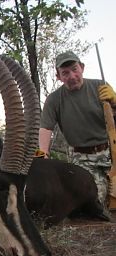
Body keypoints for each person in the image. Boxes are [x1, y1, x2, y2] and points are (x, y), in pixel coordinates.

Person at [39, 50, 116, 218]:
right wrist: (42, 154)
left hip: (111, 151)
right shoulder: (54, 99)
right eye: (65, 73)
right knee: (92, 201)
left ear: (82, 67)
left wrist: (115, 101)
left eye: (75, 69)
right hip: (82, 159)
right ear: (58, 76)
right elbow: (45, 129)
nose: (72, 76)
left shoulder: (100, 86)